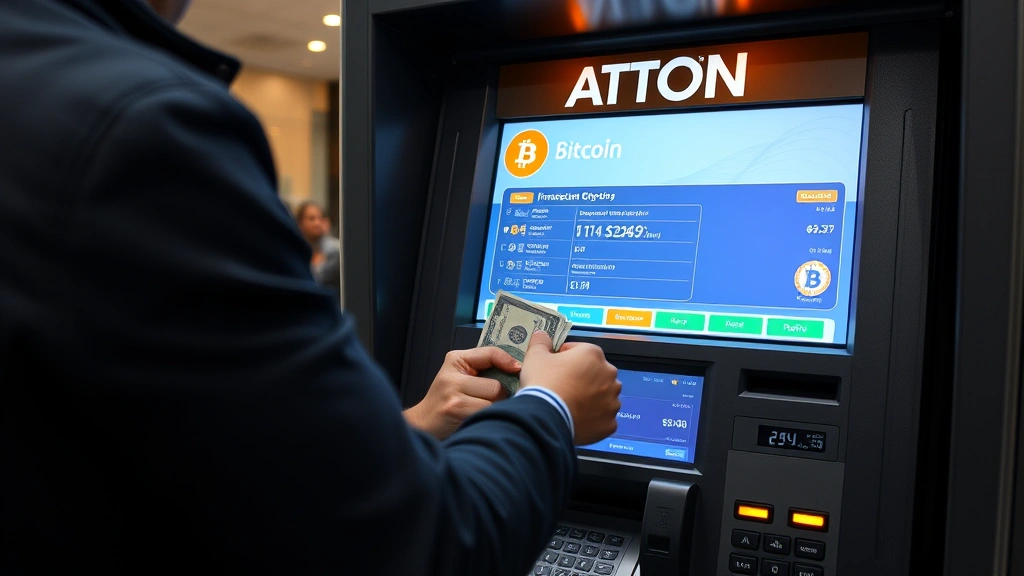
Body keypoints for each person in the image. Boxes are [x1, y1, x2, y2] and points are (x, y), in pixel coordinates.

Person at [0, 1, 622, 575]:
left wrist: (409, 430)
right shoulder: (139, 125)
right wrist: (551, 409)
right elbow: (420, 547)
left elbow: (209, 458)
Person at [294, 200, 341, 296]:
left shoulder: (334, 250)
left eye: (320, 218)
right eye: (312, 219)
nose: (317, 223)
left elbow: (313, 280)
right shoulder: (296, 247)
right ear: (300, 223)